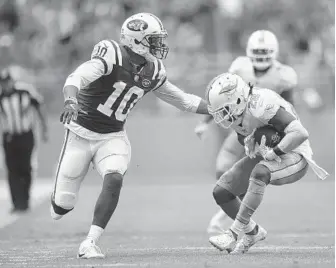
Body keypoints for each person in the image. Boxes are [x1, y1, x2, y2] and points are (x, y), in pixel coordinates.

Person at [50, 12, 209, 259]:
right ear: (136, 40)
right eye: (154, 40)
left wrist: (218, 108)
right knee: (61, 205)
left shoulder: (154, 70)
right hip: (80, 134)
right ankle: (61, 204)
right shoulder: (111, 55)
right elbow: (76, 78)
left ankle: (90, 242)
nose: (159, 45)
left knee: (114, 178)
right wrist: (71, 100)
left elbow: (184, 100)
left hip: (112, 137)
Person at [205, 72, 328, 254]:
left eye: (224, 110)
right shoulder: (239, 114)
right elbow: (251, 137)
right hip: (269, 153)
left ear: (238, 99)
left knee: (260, 172)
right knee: (222, 192)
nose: (223, 116)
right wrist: (253, 144)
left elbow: (300, 133)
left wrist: (275, 151)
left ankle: (233, 233)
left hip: (295, 154)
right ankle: (252, 232)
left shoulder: (260, 104)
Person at [194, 30, 299, 234]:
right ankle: (232, 212)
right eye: (257, 51)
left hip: (267, 131)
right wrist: (205, 121)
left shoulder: (283, 75)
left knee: (252, 174)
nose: (261, 55)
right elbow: (220, 95)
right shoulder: (240, 67)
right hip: (242, 130)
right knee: (223, 168)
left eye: (265, 51)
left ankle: (235, 219)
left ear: (274, 52)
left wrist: (287, 132)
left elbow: (289, 106)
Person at [0, 66, 48, 213]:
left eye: (7, 81)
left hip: (26, 135)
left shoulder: (25, 92)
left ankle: (24, 201)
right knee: (12, 169)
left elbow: (39, 108)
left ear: (12, 81)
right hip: (9, 137)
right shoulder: (1, 97)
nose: (5, 85)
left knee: (25, 168)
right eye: (2, 82)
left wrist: (44, 129)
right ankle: (16, 203)